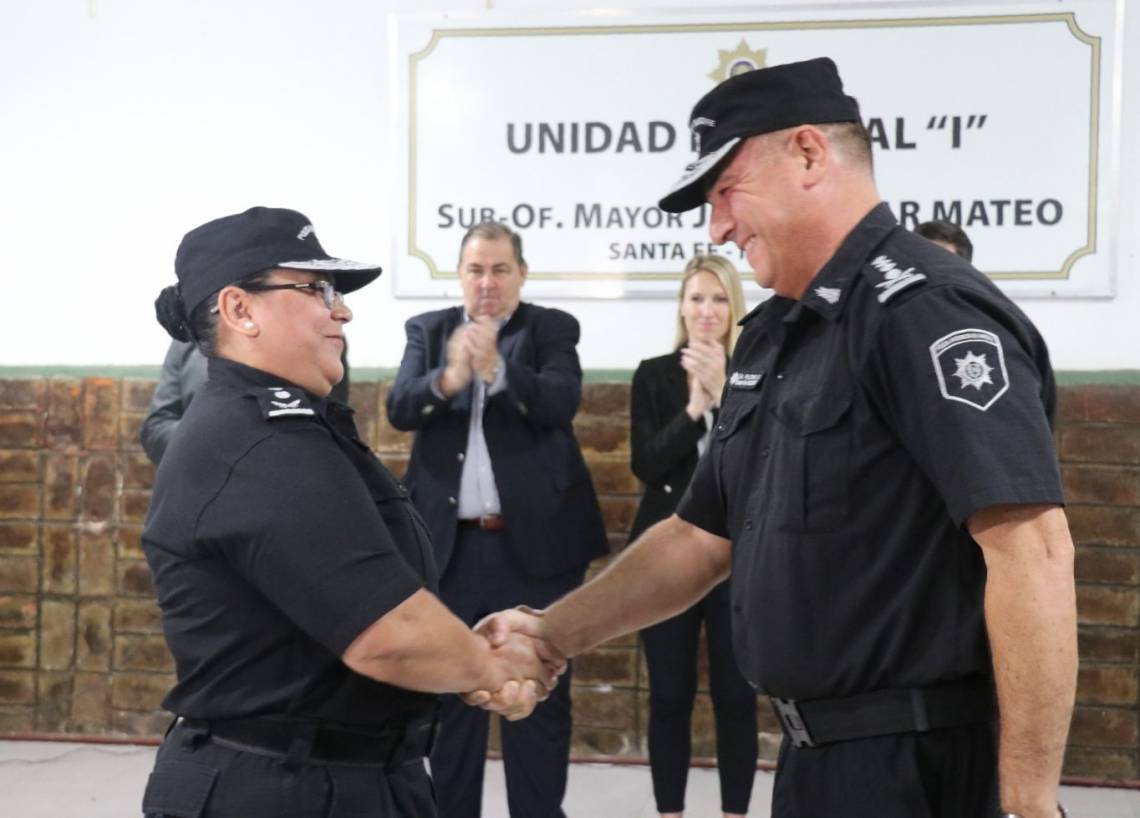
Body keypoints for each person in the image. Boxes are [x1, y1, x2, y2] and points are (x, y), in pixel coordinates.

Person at [473, 58, 1076, 818]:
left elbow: (1031, 547)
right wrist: (552, 632)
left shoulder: (922, 311)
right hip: (811, 763)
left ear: (809, 155)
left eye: (726, 190)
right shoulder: (775, 334)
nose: (717, 226)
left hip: (921, 770)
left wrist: (1027, 803)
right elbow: (698, 537)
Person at [140, 206, 558, 818]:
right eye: (314, 289)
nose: (342, 309)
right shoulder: (257, 442)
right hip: (277, 789)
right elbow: (386, 635)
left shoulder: (293, 426)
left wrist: (457, 652)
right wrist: (491, 666)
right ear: (239, 310)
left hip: (340, 776)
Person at [386, 221, 608, 818]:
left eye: (500, 269)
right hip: (449, 551)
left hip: (535, 549)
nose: (487, 282)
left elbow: (562, 402)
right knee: (452, 700)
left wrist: (498, 372)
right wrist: (451, 376)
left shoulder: (551, 329)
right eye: (476, 270)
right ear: (459, 276)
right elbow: (401, 408)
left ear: (521, 274)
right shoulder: (428, 332)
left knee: (534, 699)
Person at [628, 254, 757, 818]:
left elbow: (762, 462)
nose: (707, 311)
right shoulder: (653, 373)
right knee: (670, 696)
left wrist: (726, 395)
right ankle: (670, 812)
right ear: (681, 306)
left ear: (736, 308)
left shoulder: (758, 370)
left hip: (739, 557)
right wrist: (694, 408)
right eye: (697, 298)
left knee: (736, 697)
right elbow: (647, 465)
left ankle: (734, 812)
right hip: (666, 555)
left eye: (719, 299)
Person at [141, 339, 348, 465]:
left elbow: (329, 428)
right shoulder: (187, 340)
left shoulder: (310, 338)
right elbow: (157, 427)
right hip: (198, 494)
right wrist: (210, 443)